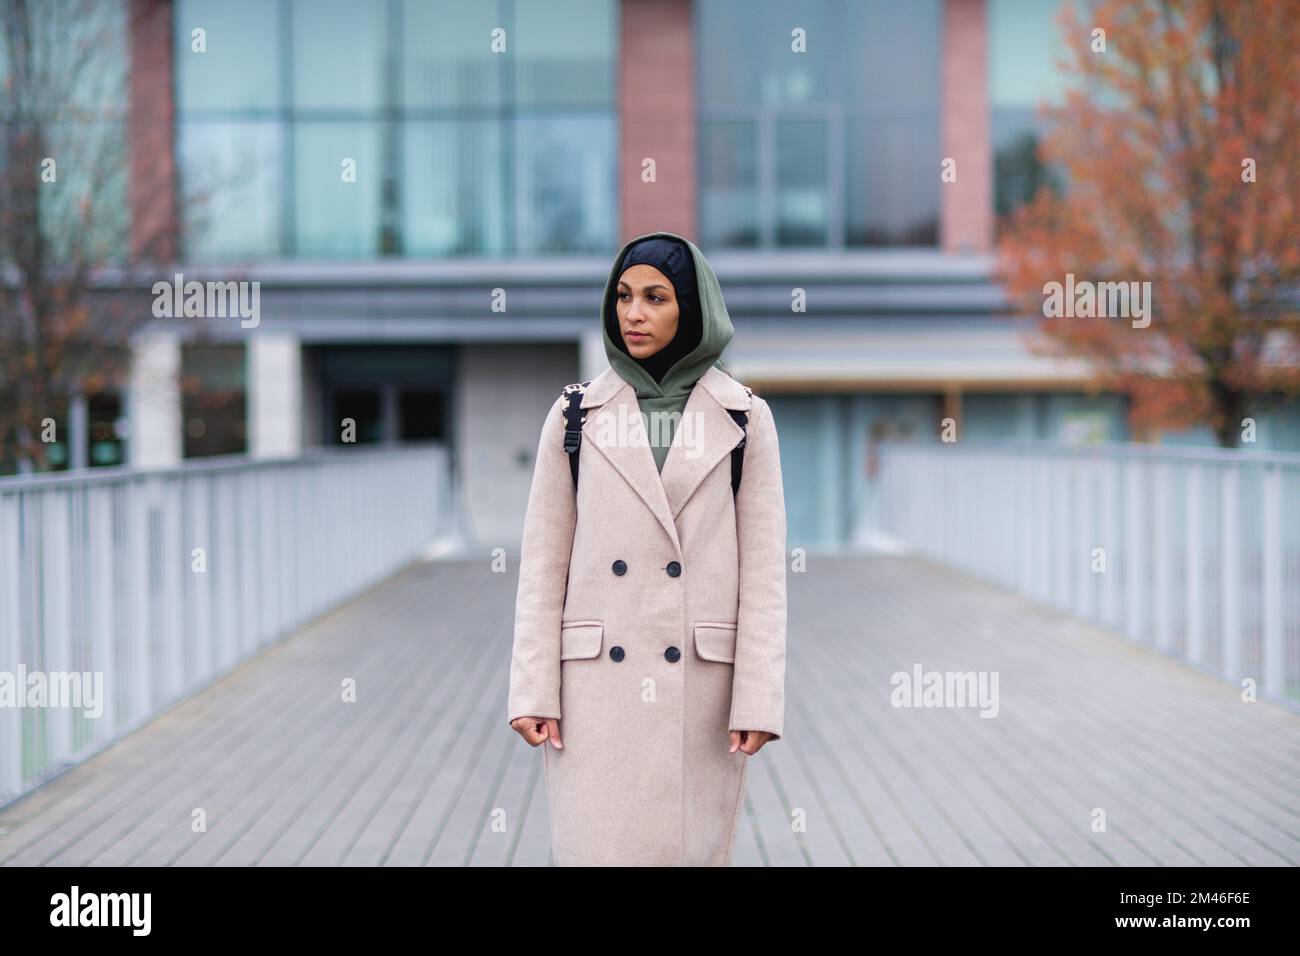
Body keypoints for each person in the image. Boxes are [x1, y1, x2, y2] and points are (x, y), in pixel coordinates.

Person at [506, 230, 788, 866]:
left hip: (698, 689)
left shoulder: (744, 419)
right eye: (624, 296)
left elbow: (766, 576)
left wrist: (758, 698)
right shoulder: (575, 414)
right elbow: (542, 569)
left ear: (693, 308)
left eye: (656, 297)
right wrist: (531, 688)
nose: (633, 313)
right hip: (594, 693)